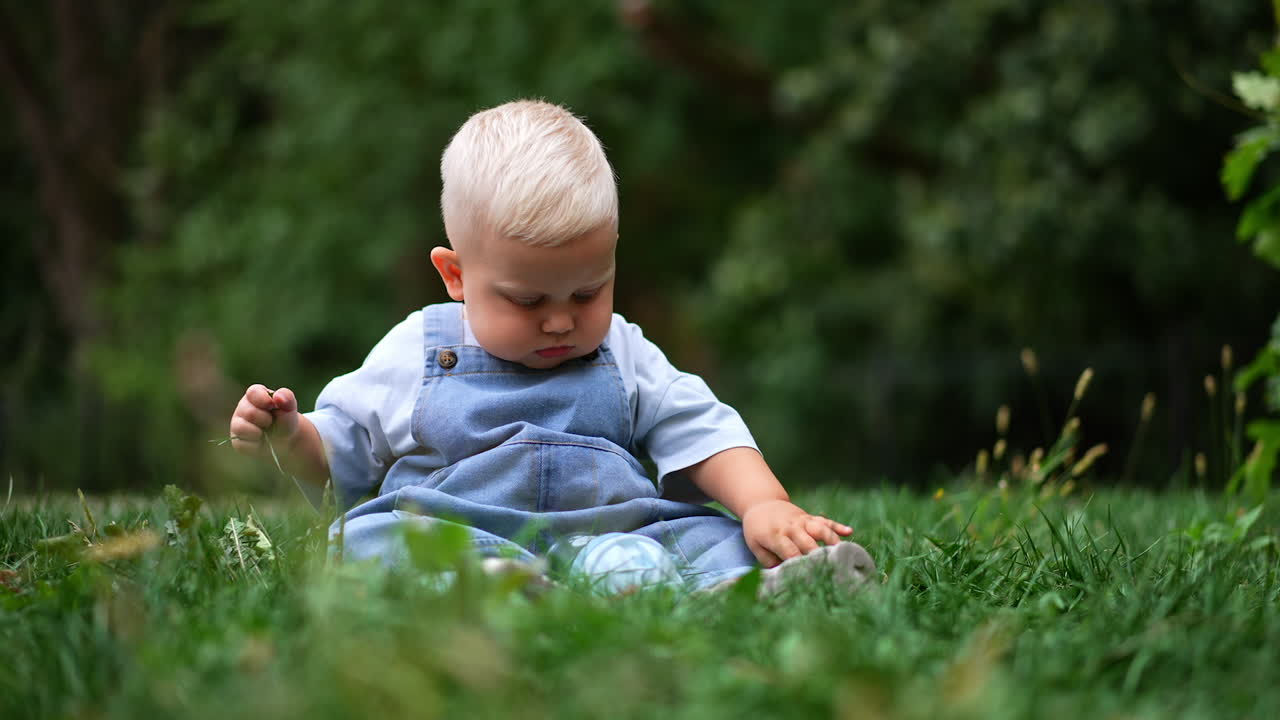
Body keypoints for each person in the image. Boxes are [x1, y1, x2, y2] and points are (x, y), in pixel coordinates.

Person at [228, 99, 874, 594]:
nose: (562, 322)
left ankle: (752, 587)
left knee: (709, 538)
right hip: (456, 533)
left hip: (614, 531)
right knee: (368, 539)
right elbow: (345, 454)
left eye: (588, 293)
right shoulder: (419, 351)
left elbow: (701, 429)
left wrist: (763, 504)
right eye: (529, 301)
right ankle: (491, 587)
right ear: (456, 275)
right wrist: (291, 436)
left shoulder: (622, 352)